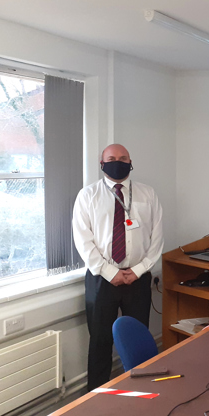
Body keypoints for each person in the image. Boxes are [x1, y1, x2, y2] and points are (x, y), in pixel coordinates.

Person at [72, 144, 164, 391]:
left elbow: (157, 239)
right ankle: (96, 397)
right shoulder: (88, 196)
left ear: (131, 162)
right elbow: (83, 241)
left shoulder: (148, 194)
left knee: (138, 339)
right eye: (111, 158)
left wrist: (139, 270)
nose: (117, 162)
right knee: (100, 342)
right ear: (102, 164)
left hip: (138, 278)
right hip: (102, 280)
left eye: (123, 158)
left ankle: (143, 391)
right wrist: (110, 273)